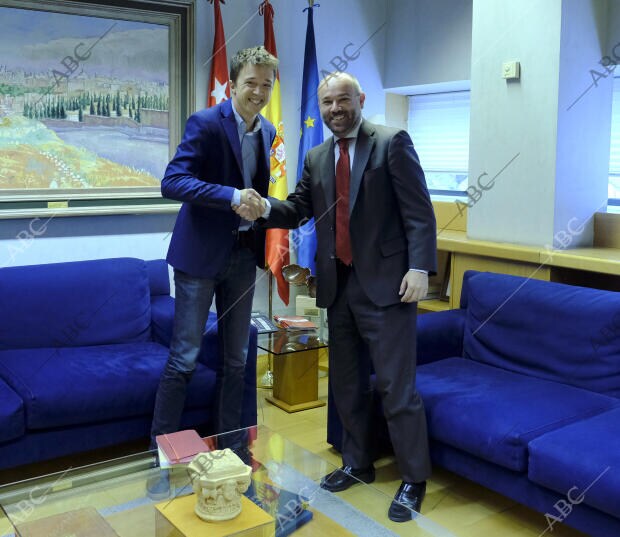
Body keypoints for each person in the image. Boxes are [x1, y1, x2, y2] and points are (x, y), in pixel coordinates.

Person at [236, 72, 437, 522]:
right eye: (326, 103)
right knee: (345, 384)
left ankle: (412, 479)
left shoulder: (392, 142)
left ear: (360, 99)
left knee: (395, 387)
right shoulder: (316, 156)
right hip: (339, 286)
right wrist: (265, 207)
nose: (334, 110)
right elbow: (299, 207)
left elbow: (419, 212)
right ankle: (356, 462)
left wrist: (420, 267)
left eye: (342, 100)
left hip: (389, 286)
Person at [149, 46, 278, 490]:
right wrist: (230, 196)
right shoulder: (205, 123)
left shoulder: (269, 129)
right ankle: (163, 461)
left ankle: (231, 452)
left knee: (236, 360)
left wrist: (259, 206)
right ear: (234, 83)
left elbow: (255, 194)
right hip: (199, 259)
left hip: (243, 258)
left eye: (266, 85)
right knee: (183, 359)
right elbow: (173, 182)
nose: (258, 92)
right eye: (251, 83)